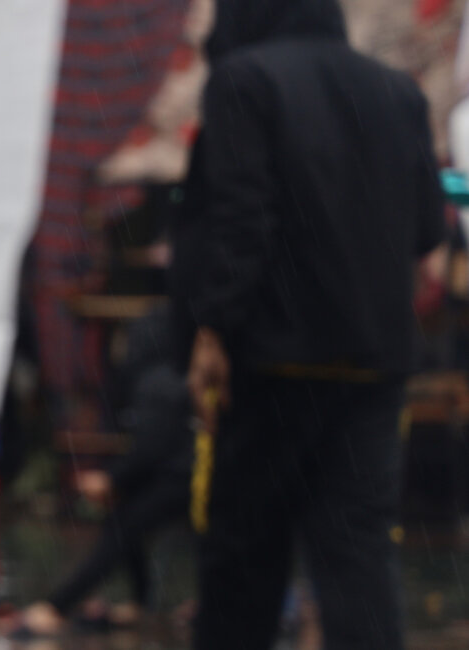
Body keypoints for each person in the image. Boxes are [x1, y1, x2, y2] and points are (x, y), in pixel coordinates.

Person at [170, 0, 447, 647]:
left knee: (245, 562)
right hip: (373, 365)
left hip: (270, 361)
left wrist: (211, 331)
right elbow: (428, 228)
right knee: (358, 558)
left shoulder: (245, 80)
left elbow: (242, 220)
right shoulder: (397, 92)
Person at [21, 304, 193, 635]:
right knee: (127, 520)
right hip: (182, 475)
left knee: (122, 526)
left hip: (183, 478)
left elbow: (153, 449)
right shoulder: (167, 375)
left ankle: (57, 606)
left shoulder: (156, 382)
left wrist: (111, 477)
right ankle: (141, 602)